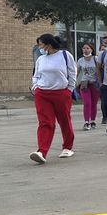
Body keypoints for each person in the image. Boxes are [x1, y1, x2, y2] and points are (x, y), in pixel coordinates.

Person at [30, 33, 76, 164]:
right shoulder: (41, 59)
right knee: (45, 122)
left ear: (48, 44)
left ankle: (68, 147)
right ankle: (41, 152)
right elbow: (36, 74)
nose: (39, 47)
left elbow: (72, 72)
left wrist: (69, 89)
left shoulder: (65, 55)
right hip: (42, 94)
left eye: (41, 44)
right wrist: (35, 87)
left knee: (64, 120)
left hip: (61, 93)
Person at [76, 42, 100, 130]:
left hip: (94, 84)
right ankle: (87, 122)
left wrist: (100, 82)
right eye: (84, 48)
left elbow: (99, 71)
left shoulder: (96, 59)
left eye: (87, 48)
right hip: (84, 84)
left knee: (94, 103)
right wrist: (75, 83)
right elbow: (77, 73)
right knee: (87, 103)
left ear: (91, 49)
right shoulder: (80, 60)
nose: (85, 50)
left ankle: (93, 121)